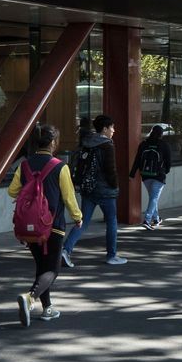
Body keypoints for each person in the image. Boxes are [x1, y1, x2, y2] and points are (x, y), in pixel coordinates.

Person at [9, 122, 80, 326]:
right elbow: (68, 197)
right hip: (53, 226)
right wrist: (78, 216)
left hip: (29, 226)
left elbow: (12, 191)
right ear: (52, 143)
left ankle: (47, 308)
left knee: (42, 267)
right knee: (53, 269)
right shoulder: (60, 166)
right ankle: (30, 298)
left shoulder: (24, 165)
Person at [61, 113, 127, 267]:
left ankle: (66, 250)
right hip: (105, 190)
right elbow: (110, 170)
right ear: (104, 129)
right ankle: (111, 255)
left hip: (88, 189)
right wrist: (115, 186)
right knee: (111, 221)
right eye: (112, 127)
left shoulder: (87, 142)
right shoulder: (107, 145)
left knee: (82, 222)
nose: (113, 130)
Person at [129, 124, 171, 229]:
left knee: (153, 197)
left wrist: (132, 174)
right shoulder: (164, 145)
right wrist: (166, 171)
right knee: (154, 197)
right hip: (159, 175)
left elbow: (138, 159)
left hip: (145, 175)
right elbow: (168, 161)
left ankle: (156, 219)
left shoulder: (143, 144)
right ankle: (147, 220)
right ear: (161, 134)